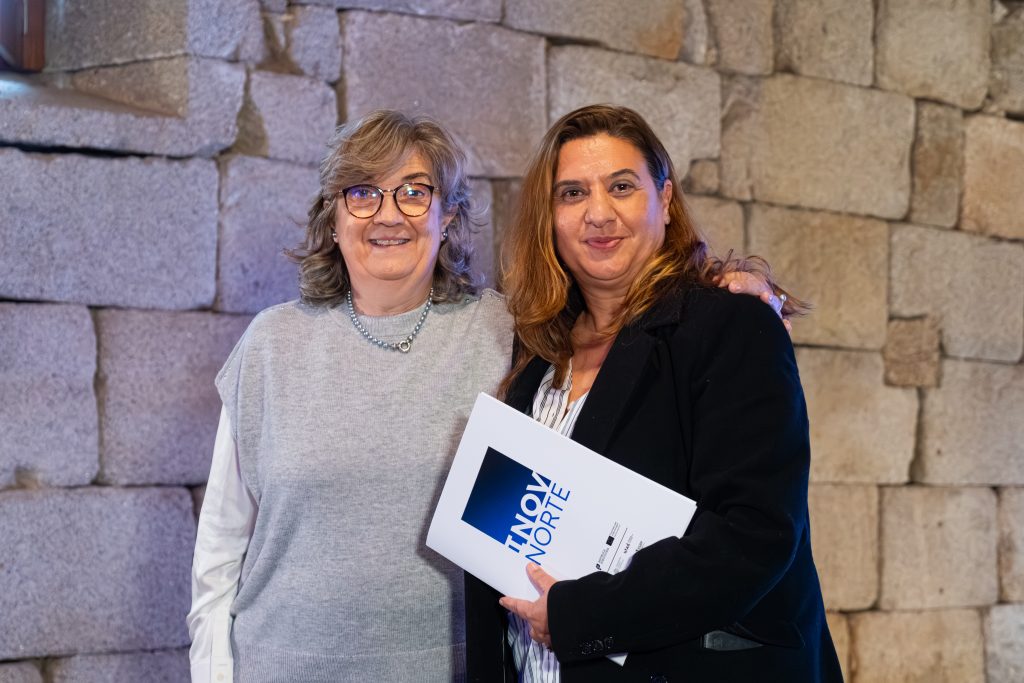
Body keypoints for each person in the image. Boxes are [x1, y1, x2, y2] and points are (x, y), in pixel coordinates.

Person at [187, 109, 788, 683]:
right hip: (283, 667)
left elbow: (640, 322)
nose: (388, 215)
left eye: (414, 192)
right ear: (333, 213)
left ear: (448, 215)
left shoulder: (512, 333)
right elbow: (218, 556)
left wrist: (730, 284)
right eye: (362, 193)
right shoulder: (270, 345)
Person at [465, 104, 841, 682]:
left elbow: (753, 537)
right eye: (572, 194)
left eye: (622, 186)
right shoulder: (535, 352)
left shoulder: (730, 325)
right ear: (549, 218)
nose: (598, 213)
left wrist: (577, 615)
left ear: (664, 200)